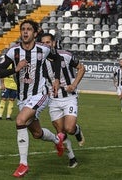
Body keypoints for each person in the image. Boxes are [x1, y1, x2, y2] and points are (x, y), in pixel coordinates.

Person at [0, 19, 64, 178]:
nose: (25, 32)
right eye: (23, 29)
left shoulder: (43, 49)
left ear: (35, 33)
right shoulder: (14, 52)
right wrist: (15, 69)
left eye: (28, 29)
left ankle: (23, 164)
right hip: (23, 99)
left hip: (40, 94)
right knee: (37, 133)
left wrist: (56, 79)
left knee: (19, 121)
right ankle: (56, 141)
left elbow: (58, 59)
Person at [41, 33, 85, 168]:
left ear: (53, 43)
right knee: (61, 133)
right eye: (43, 43)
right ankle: (72, 158)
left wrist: (74, 85)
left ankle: (77, 131)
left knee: (69, 128)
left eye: (48, 42)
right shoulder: (39, 61)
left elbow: (81, 68)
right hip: (53, 100)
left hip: (69, 98)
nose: (46, 45)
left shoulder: (65, 55)